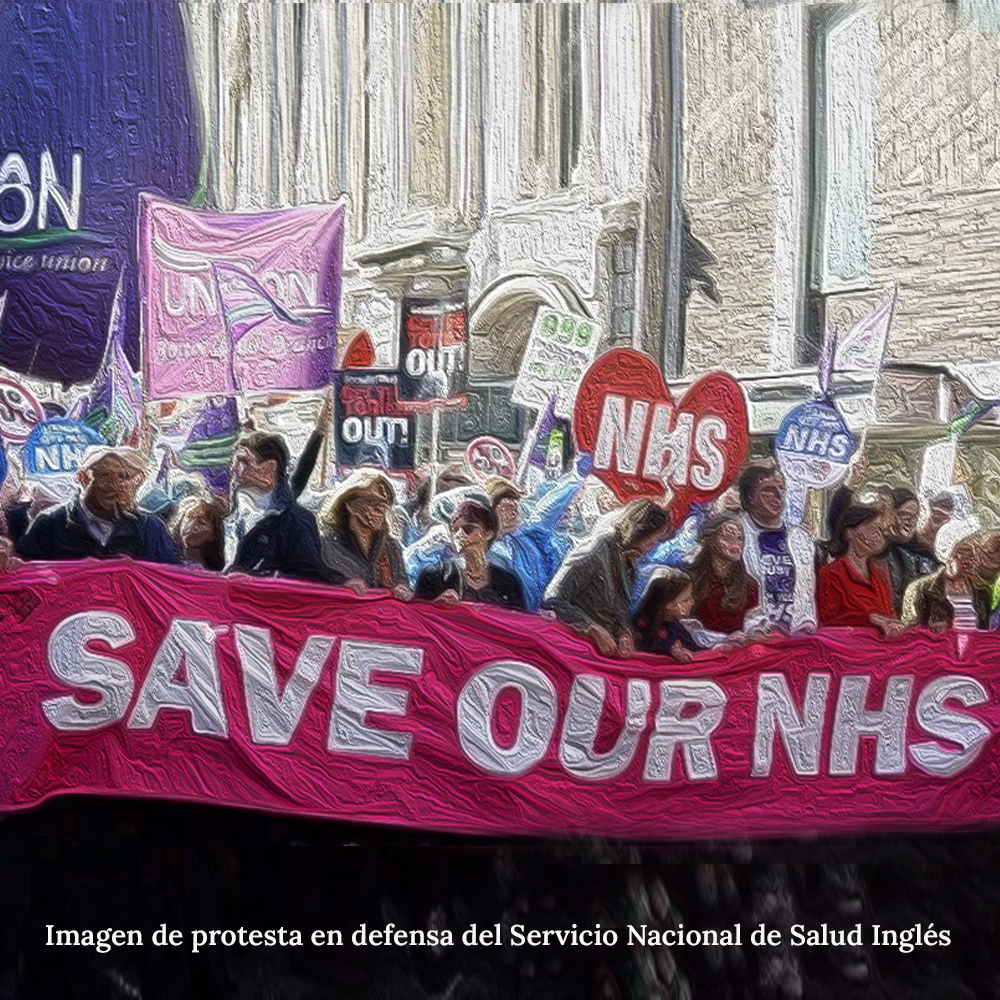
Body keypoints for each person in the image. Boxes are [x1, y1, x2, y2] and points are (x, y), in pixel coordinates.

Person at [544, 498, 670, 657]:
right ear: (640, 531)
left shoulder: (629, 561)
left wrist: (624, 631)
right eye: (653, 537)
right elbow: (553, 599)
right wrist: (590, 628)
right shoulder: (595, 549)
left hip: (603, 654)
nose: (653, 543)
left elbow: (618, 610)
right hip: (574, 651)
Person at [16, 446, 181, 565]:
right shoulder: (49, 524)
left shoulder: (149, 528)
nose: (114, 485)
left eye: (121, 477)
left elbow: (172, 578)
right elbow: (24, 574)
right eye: (105, 476)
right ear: (83, 478)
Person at [224, 432, 327, 581]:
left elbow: (310, 574)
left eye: (243, 461)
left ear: (270, 467)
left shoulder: (297, 523)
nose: (234, 469)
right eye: (234, 461)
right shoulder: (227, 521)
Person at [484, 470, 582, 612]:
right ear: (490, 510)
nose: (514, 512)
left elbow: (546, 513)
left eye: (515, 507)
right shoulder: (484, 549)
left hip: (538, 620)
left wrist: (575, 479)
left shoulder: (524, 539)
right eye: (507, 507)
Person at [738, 465, 816, 632]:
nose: (778, 496)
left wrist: (806, 624)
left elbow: (806, 591)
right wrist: (755, 629)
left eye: (781, 488)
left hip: (796, 636)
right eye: (769, 490)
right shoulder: (736, 534)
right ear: (751, 496)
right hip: (753, 637)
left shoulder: (800, 538)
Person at [414, 499, 525, 610]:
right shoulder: (434, 576)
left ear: (487, 534)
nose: (460, 535)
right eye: (455, 530)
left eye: (468, 529)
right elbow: (416, 616)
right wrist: (436, 604)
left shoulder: (507, 582)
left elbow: (520, 622)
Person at [319, 469, 410, 598]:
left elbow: (401, 580)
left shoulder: (391, 546)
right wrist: (343, 588)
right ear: (349, 504)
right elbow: (317, 588)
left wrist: (402, 589)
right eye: (373, 503)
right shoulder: (326, 545)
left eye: (384, 505)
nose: (381, 510)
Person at [816, 505, 903, 637]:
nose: (878, 535)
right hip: (851, 646)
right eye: (872, 528)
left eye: (879, 529)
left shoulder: (881, 572)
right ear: (850, 533)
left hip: (884, 644)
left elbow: (890, 613)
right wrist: (870, 619)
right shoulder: (830, 573)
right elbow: (828, 621)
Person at [902, 521, 991, 632]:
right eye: (966, 550)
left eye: (977, 551)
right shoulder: (921, 590)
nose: (973, 557)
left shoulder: (981, 593)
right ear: (948, 552)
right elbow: (910, 635)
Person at [687, 514, 761, 634]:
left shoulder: (749, 586)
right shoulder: (690, 580)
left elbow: (752, 624)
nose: (736, 545)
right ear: (711, 540)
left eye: (739, 539)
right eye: (727, 539)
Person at [878, 487, 940, 614]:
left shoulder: (923, 553)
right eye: (903, 515)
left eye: (914, 516)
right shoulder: (878, 550)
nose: (910, 522)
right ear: (890, 514)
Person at [169, 495, 226, 571]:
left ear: (213, 535)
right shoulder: (168, 558)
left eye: (201, 522)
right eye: (190, 517)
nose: (192, 525)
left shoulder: (216, 569)